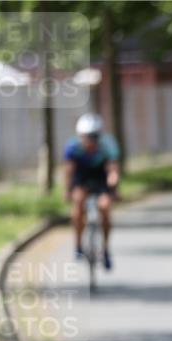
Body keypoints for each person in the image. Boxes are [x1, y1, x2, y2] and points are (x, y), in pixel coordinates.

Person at [63, 112, 120, 269]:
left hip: (100, 177)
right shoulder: (72, 147)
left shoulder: (108, 145)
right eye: (86, 137)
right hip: (81, 177)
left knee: (105, 207)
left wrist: (114, 184)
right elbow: (69, 171)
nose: (90, 141)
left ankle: (106, 249)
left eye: (94, 137)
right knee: (79, 203)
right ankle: (78, 245)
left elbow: (113, 168)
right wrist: (68, 191)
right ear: (80, 136)